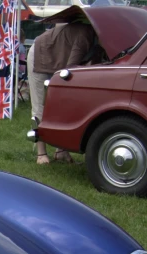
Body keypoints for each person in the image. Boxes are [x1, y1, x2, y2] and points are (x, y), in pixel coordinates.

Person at [28, 22, 99, 165]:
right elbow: (71, 69)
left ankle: (61, 151)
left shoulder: (99, 40)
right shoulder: (85, 35)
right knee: (40, 106)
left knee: (64, 107)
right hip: (40, 55)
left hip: (57, 58)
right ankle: (41, 154)